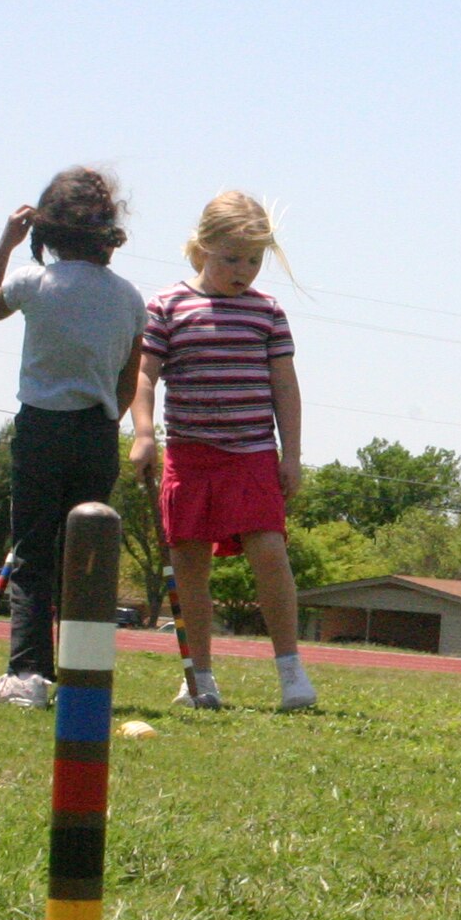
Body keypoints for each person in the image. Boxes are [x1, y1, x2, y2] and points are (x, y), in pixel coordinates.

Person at [129, 190, 316, 712]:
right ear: (203, 248)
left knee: (271, 556)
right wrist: (144, 433)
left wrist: (291, 455)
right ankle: (200, 677)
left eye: (254, 260)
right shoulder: (167, 305)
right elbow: (145, 376)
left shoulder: (267, 313)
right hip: (189, 455)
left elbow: (285, 387)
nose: (243, 270)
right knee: (189, 566)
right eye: (231, 258)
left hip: (252, 454)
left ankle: (291, 671)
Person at [0, 167, 147, 708]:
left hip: (41, 428)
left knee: (33, 554)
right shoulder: (128, 297)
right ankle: (82, 670)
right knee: (85, 558)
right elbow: (129, 374)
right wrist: (107, 421)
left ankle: (28, 674)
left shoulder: (33, 280)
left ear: (48, 229)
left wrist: (7, 239)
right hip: (97, 432)